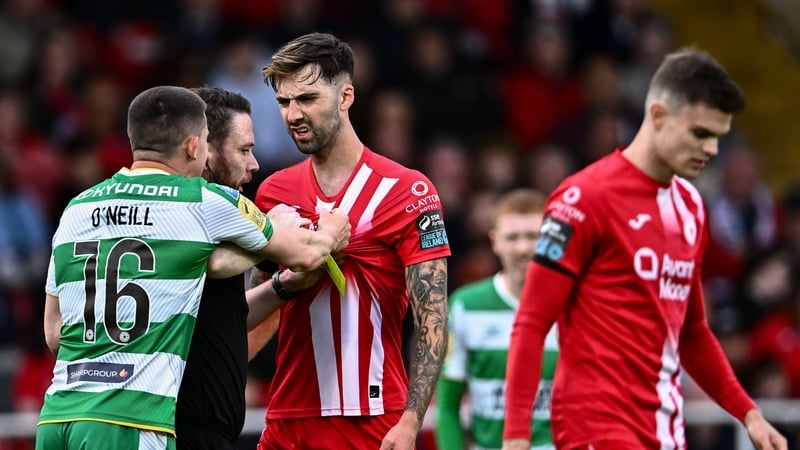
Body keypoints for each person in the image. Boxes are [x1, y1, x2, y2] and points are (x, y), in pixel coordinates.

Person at [501, 47, 787, 450]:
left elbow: (693, 333)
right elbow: (532, 320)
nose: (711, 150)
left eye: (718, 137)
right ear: (658, 116)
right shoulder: (583, 198)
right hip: (596, 425)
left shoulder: (690, 207)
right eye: (700, 133)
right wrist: (516, 436)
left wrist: (749, 414)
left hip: (665, 429)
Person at [36, 85, 350, 450]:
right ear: (193, 146)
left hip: (58, 416)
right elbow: (307, 253)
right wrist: (332, 226)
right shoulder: (203, 200)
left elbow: (54, 333)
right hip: (131, 419)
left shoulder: (76, 207)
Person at [251, 32, 451, 450]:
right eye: (284, 102)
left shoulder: (407, 191)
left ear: (346, 96)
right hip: (286, 419)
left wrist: (411, 422)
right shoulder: (272, 192)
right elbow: (257, 311)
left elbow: (432, 318)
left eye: (307, 99)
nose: (293, 115)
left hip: (373, 420)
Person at [174, 86, 326, 450]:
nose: (254, 164)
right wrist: (284, 234)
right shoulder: (202, 207)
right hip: (181, 428)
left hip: (205, 427)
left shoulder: (204, 218)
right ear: (204, 150)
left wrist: (281, 287)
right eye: (244, 149)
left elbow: (223, 319)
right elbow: (217, 263)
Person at [436, 188, 557, 450]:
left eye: (533, 236)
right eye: (512, 237)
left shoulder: (571, 307)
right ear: (494, 241)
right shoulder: (465, 306)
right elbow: (447, 407)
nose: (523, 247)